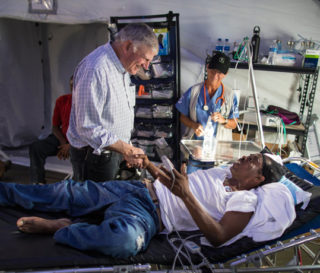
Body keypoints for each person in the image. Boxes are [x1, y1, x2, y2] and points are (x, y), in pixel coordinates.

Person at [0, 152, 295, 258]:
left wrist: (186, 195)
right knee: (61, 193)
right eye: (248, 156)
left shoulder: (245, 200)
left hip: (149, 215)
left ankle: (62, 228)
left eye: (252, 161)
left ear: (259, 179)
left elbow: (218, 236)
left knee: (124, 241)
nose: (243, 159)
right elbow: (174, 181)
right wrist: (150, 166)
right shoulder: (221, 170)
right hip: (136, 187)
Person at [67, 23, 159, 182]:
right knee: (96, 205)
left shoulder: (122, 65)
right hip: (94, 158)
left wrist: (125, 148)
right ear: (128, 46)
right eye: (145, 59)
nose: (146, 66)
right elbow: (87, 127)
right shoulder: (95, 68)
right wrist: (128, 150)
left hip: (112, 152)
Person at [175, 51, 239, 174]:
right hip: (196, 151)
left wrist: (224, 120)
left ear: (226, 74)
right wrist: (194, 126)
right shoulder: (193, 92)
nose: (215, 76)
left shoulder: (230, 95)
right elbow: (182, 117)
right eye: (213, 71)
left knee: (213, 187)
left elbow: (234, 124)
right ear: (207, 68)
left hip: (218, 153)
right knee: (192, 185)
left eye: (220, 73)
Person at [29, 76, 73, 184]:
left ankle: (78, 183)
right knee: (36, 147)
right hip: (62, 138)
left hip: (80, 142)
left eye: (76, 85)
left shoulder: (87, 103)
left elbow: (87, 131)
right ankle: (38, 183)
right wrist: (63, 143)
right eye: (71, 85)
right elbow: (55, 127)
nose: (73, 87)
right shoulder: (62, 101)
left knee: (82, 151)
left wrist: (70, 145)